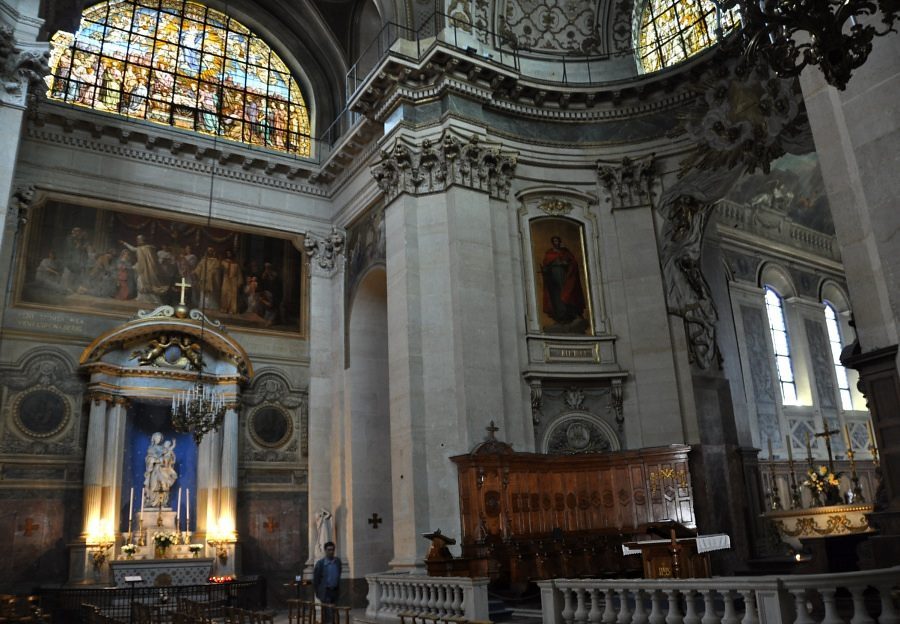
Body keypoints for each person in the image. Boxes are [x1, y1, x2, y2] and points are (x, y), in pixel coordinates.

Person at [541, 236, 586, 330]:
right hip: (554, 277)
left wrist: (566, 263)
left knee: (567, 294)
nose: (556, 242)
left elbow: (572, 262)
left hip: (565, 276)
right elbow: (546, 264)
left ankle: (572, 315)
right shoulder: (549, 253)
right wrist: (546, 269)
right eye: (554, 241)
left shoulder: (565, 252)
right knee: (556, 296)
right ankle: (560, 318)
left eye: (557, 241)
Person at [312, 541, 341, 620]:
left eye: (332, 550)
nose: (331, 552)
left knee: (334, 613)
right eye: (329, 550)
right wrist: (318, 593)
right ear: (325, 551)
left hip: (334, 591)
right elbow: (316, 580)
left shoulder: (337, 562)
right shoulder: (320, 564)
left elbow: (338, 575)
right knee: (327, 614)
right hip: (325, 592)